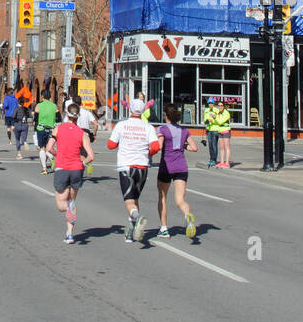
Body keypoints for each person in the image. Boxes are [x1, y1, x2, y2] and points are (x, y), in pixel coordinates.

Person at [107, 98, 161, 243]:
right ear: (143, 111)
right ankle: (130, 233)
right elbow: (156, 147)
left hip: (126, 166)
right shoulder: (148, 127)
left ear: (129, 109)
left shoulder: (121, 125)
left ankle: (138, 218)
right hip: (142, 167)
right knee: (135, 199)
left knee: (129, 201)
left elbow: (111, 145)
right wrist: (147, 154)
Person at [47, 100, 94, 243]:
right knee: (72, 201)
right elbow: (91, 156)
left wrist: (57, 155)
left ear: (66, 114)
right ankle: (69, 234)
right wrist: (83, 162)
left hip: (62, 167)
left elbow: (49, 148)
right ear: (78, 116)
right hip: (77, 169)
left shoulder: (58, 129)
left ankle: (68, 211)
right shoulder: (82, 133)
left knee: (62, 205)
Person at [155, 104, 197, 238]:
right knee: (180, 199)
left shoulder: (162, 129)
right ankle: (187, 216)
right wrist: (182, 146)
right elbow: (194, 147)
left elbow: (159, 145)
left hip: (167, 166)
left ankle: (164, 228)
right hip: (181, 167)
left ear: (165, 115)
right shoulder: (184, 130)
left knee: (162, 197)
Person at [34, 90, 60, 173]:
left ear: (42, 96)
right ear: (50, 96)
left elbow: (35, 119)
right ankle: (51, 156)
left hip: (41, 128)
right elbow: (59, 118)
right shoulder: (54, 106)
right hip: (51, 129)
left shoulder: (38, 105)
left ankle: (44, 168)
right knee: (49, 147)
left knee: (42, 148)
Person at [209, 98, 232, 168]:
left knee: (227, 147)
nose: (220, 107)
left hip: (226, 131)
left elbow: (220, 121)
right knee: (221, 148)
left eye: (222, 105)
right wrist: (212, 120)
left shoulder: (226, 113)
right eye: (219, 105)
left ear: (224, 106)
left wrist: (215, 117)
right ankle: (222, 162)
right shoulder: (219, 113)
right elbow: (217, 122)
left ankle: (227, 163)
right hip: (220, 131)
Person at [11, 94, 31, 159]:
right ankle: (24, 142)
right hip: (25, 125)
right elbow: (30, 115)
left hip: (17, 125)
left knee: (17, 139)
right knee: (23, 138)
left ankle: (19, 154)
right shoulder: (27, 109)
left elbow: (13, 117)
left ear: (18, 102)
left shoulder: (16, 109)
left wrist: (12, 125)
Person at [203, 96, 220, 167]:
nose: (210, 104)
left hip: (215, 129)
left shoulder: (217, 110)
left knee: (214, 145)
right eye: (209, 103)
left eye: (211, 103)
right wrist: (207, 121)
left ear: (214, 103)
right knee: (210, 145)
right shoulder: (206, 110)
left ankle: (214, 160)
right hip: (209, 130)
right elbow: (204, 120)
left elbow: (219, 120)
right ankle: (211, 159)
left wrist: (213, 119)